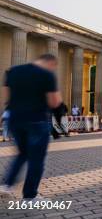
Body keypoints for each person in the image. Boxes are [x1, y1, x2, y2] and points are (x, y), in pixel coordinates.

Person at [0, 54, 62, 200]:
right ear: (50, 63)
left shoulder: (13, 71)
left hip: (15, 119)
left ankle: (6, 185)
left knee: (22, 154)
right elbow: (53, 103)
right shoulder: (47, 74)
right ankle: (29, 196)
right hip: (37, 120)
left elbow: (6, 96)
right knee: (37, 159)